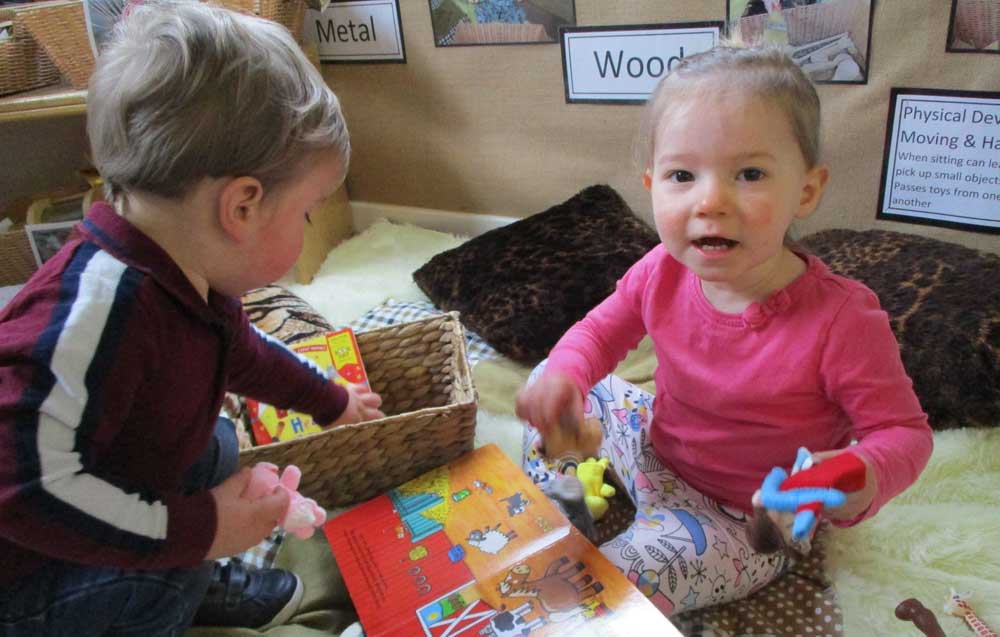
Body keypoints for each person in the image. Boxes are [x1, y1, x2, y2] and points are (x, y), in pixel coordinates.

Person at [0, 1, 384, 634]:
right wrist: (199, 532)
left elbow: (241, 348)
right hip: (28, 572)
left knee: (215, 444)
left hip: (104, 484)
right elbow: (24, 486)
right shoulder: (97, 313)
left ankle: (192, 573)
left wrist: (329, 398)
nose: (310, 224)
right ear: (242, 207)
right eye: (309, 212)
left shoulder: (186, 272)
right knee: (165, 571)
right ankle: (173, 592)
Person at [515, 42, 933, 616]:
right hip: (654, 450)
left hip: (744, 518)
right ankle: (572, 494)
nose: (710, 201)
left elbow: (905, 435)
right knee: (548, 378)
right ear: (651, 184)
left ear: (806, 191)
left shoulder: (841, 320)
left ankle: (612, 540)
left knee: (611, 586)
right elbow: (597, 334)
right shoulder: (660, 268)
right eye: (682, 175)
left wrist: (852, 474)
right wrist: (564, 377)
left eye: (750, 174)